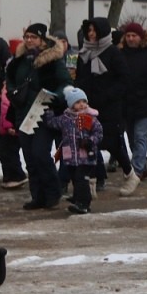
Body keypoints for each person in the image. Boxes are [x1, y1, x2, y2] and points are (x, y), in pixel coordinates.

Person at [5, 24, 72, 210]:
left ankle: (53, 192)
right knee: (30, 157)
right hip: (22, 114)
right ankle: (38, 196)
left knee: (40, 153)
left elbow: (66, 83)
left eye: (33, 37)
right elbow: (9, 80)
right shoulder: (18, 60)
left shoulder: (52, 60)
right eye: (26, 37)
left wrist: (54, 96)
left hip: (44, 113)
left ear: (42, 39)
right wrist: (12, 93)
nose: (29, 40)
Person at [75, 17, 127, 187]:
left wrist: (107, 95)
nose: (91, 34)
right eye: (89, 31)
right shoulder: (84, 53)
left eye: (94, 31)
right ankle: (89, 185)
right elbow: (80, 78)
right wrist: (77, 98)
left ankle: (130, 173)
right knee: (87, 144)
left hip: (109, 107)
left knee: (111, 143)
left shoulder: (113, 52)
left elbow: (123, 80)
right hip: (87, 106)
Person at [116, 22, 147, 193]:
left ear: (141, 37)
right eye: (128, 35)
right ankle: (141, 167)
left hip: (144, 105)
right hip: (126, 106)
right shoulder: (120, 55)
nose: (130, 39)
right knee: (131, 140)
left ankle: (136, 171)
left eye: (134, 36)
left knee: (140, 137)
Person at [47, 86, 102, 214]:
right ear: (71, 105)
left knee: (81, 178)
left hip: (85, 156)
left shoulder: (89, 118)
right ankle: (78, 198)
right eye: (78, 102)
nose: (82, 105)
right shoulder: (65, 118)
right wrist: (48, 112)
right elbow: (52, 123)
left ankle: (84, 203)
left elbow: (98, 133)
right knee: (75, 178)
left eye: (84, 101)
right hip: (70, 156)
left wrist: (90, 141)